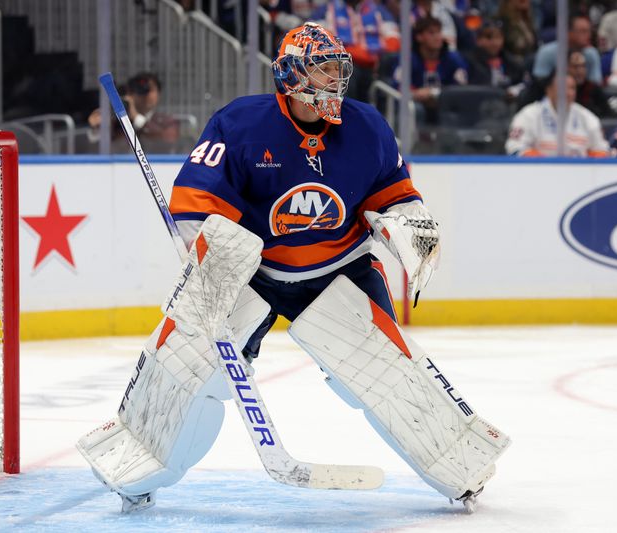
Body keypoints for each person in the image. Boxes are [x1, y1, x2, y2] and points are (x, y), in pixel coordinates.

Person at [77, 22, 508, 514]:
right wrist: (202, 240)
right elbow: (198, 204)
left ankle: (459, 464)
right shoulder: (241, 125)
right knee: (191, 363)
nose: (335, 80)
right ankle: (138, 458)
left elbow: (395, 194)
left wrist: (410, 229)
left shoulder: (366, 127)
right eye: (323, 69)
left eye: (337, 69)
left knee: (384, 373)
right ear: (291, 75)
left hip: (341, 267)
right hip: (252, 270)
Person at [506, 71, 611, 157]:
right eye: (563, 87)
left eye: (572, 88)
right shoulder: (528, 115)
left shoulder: (588, 118)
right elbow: (515, 148)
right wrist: (545, 163)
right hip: (538, 176)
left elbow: (603, 151)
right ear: (549, 90)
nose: (568, 93)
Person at [391, 16, 469, 123]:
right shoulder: (407, 60)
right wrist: (414, 94)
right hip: (415, 104)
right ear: (419, 37)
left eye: (439, 32)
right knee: (416, 110)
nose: (438, 37)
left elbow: (461, 87)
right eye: (432, 33)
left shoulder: (453, 59)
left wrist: (434, 93)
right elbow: (398, 87)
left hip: (444, 103)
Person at [87, 72, 181, 153]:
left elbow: (168, 140)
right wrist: (97, 127)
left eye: (148, 90)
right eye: (138, 90)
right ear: (130, 93)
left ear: (158, 93)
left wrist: (135, 117)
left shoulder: (167, 121)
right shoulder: (117, 123)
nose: (144, 95)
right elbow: (94, 147)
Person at [533, 14, 602, 85]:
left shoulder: (591, 54)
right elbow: (539, 84)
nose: (589, 35)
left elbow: (595, 86)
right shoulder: (547, 52)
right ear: (568, 32)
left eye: (589, 31)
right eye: (583, 31)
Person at [463, 18, 526, 90]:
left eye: (498, 37)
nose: (495, 43)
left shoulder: (512, 62)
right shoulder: (468, 61)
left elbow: (521, 85)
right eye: (489, 38)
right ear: (478, 40)